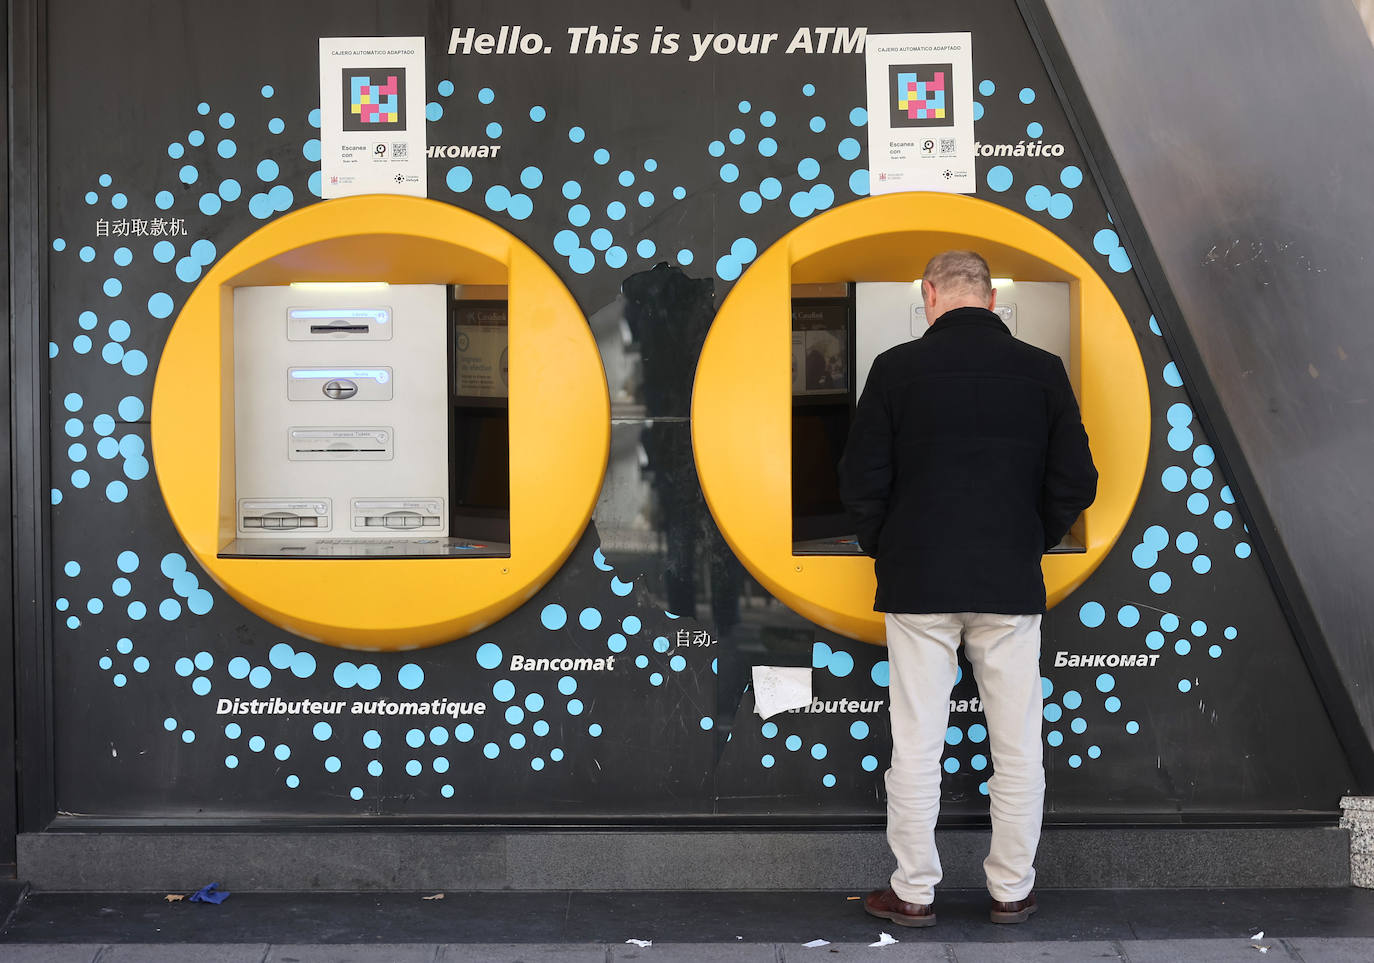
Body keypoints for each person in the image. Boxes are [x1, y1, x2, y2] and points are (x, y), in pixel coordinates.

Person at [838, 250, 1097, 927]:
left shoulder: (895, 368)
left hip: (919, 581)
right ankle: (1011, 889)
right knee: (1018, 746)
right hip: (1008, 582)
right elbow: (1077, 479)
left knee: (917, 743)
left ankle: (913, 890)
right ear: (990, 298)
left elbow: (860, 479)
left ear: (929, 293)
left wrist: (889, 544)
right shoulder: (1042, 370)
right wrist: (1029, 536)